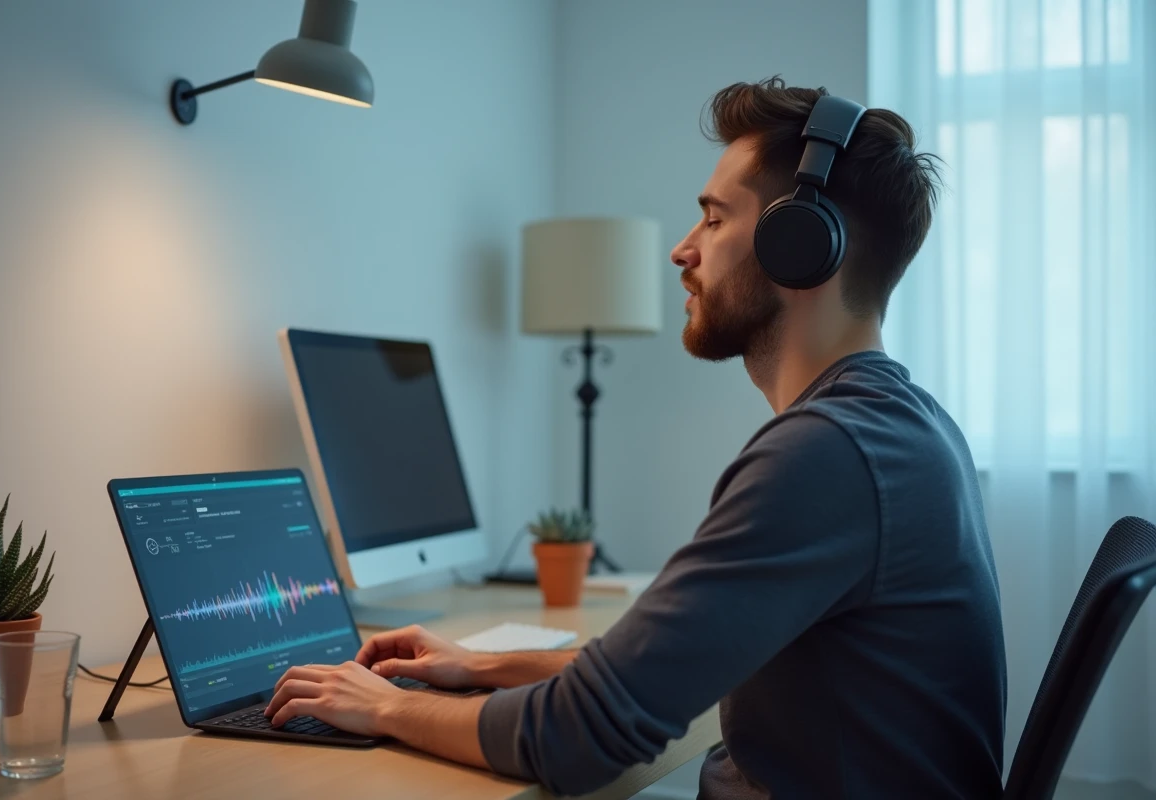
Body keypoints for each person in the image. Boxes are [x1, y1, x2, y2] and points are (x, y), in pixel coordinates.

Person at [264, 77, 1008, 799]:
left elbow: (578, 736)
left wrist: (386, 707)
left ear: (798, 242)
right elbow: (655, 673)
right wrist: (478, 665)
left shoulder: (828, 454)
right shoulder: (902, 427)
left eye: (713, 219)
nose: (682, 250)